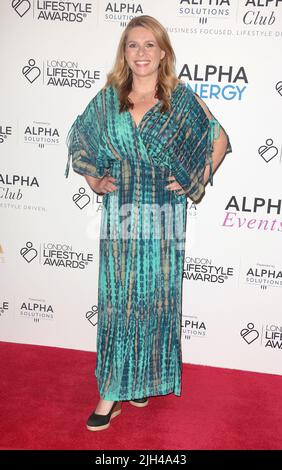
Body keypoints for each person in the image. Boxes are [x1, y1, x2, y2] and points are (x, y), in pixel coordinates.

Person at [65, 15, 231, 432]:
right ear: (125, 52)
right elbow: (81, 139)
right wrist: (93, 178)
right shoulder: (109, 99)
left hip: (163, 212)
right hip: (121, 211)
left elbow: (220, 138)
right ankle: (111, 393)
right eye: (133, 45)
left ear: (163, 52)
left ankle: (140, 378)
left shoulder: (179, 98)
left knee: (155, 298)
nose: (141, 53)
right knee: (119, 299)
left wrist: (198, 175)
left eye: (150, 45)